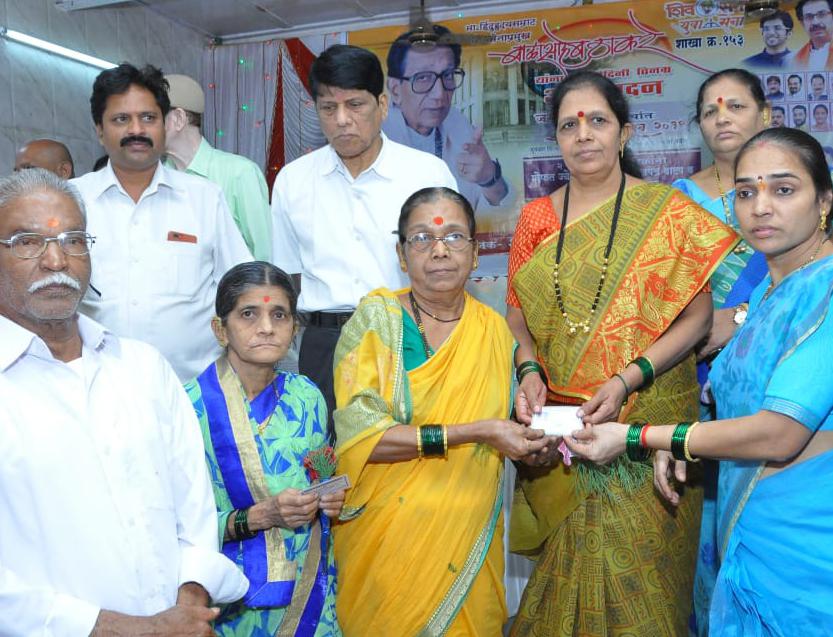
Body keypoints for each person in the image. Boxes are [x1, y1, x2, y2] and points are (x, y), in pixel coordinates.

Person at [566, 127, 833, 636]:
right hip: (750, 535)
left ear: (824, 201)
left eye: (783, 189)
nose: (760, 207)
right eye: (745, 192)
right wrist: (688, 446)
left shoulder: (826, 292)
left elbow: (779, 432)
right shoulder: (767, 293)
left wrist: (642, 437)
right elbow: (738, 407)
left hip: (807, 551)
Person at [505, 71, 738, 636]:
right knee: (562, 585)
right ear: (556, 139)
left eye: (598, 121)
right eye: (569, 125)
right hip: (567, 424)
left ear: (624, 132)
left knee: (645, 598)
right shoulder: (537, 218)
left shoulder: (666, 211)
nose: (583, 134)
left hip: (648, 419)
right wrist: (528, 366)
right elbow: (518, 311)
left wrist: (628, 378)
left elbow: (697, 317)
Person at [0, 168, 248, 635]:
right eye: (27, 242)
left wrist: (186, 606)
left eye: (74, 240)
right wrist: (133, 630)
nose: (56, 260)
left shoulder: (143, 368)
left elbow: (195, 511)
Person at [332, 186, 548, 636]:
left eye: (453, 237)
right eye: (422, 238)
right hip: (387, 545)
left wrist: (536, 442)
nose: (439, 250)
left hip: (468, 540)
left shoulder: (493, 332)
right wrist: (476, 432)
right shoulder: (375, 321)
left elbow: (513, 427)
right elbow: (363, 438)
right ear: (401, 254)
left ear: (475, 253)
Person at [271, 44, 457, 441]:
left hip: (407, 334)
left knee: (412, 450)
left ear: (383, 104)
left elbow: (449, 267)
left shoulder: (426, 174)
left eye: (355, 105)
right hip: (324, 343)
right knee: (329, 458)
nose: (342, 120)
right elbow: (290, 276)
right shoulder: (293, 181)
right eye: (328, 108)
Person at [186, 261, 344, 636]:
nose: (267, 328)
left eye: (279, 314)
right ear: (220, 329)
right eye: (248, 314)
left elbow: (325, 477)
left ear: (295, 327)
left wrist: (333, 497)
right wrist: (260, 516)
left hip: (310, 589)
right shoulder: (189, 407)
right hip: (230, 602)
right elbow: (175, 529)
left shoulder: (307, 396)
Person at [72, 63, 252, 381]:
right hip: (97, 385)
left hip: (193, 388)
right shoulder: (72, 200)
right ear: (99, 129)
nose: (136, 130)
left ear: (165, 125)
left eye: (148, 118)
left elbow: (241, 287)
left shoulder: (204, 198)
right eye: (121, 119)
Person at [671, 67, 771, 636]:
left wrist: (739, 317)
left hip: (775, 377)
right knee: (702, 534)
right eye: (710, 110)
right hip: (694, 377)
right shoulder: (679, 202)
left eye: (735, 106)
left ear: (765, 115)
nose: (722, 118)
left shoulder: (801, 190)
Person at [384, 24, 512, 212]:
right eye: (423, 78)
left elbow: (501, 209)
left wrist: (488, 177)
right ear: (395, 90)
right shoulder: (374, 139)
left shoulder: (457, 124)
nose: (440, 93)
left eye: (448, 75)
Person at [165, 74, 272, 262]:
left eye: (150, 117)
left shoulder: (240, 173)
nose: (140, 128)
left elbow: (265, 256)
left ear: (178, 119)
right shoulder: (159, 178)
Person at [793, 0, 833, 68]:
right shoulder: (795, 59)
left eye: (822, 14)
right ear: (802, 23)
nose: (815, 22)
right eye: (809, 17)